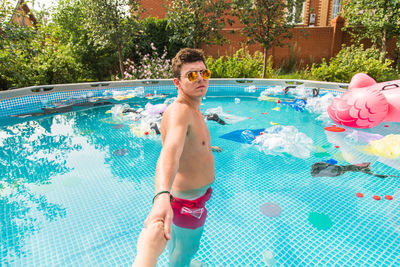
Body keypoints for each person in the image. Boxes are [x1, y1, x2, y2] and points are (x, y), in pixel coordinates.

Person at [145, 48, 217, 266]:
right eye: (192, 75)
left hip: (187, 198)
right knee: (187, 250)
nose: (201, 79)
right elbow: (170, 153)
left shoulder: (192, 109)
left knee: (177, 246)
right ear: (177, 82)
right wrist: (161, 196)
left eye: (204, 73)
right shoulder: (180, 111)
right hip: (188, 201)